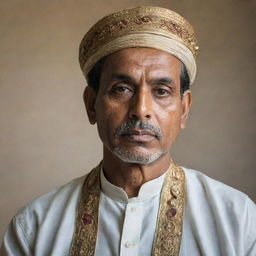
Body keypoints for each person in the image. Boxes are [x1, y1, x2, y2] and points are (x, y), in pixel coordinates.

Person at [1, 6, 255, 256]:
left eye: (161, 91)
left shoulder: (237, 220)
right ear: (91, 104)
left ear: (184, 109)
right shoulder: (35, 227)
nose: (141, 110)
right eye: (122, 88)